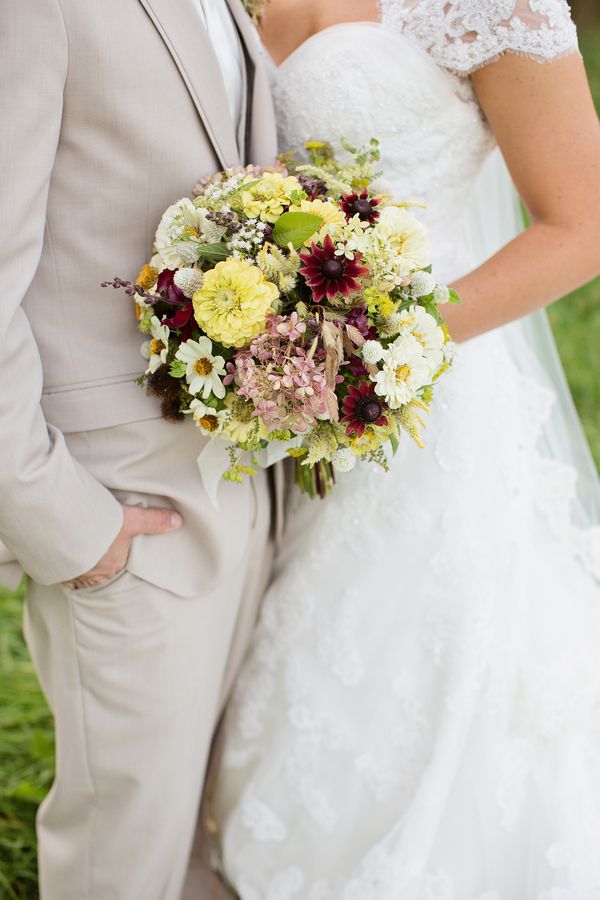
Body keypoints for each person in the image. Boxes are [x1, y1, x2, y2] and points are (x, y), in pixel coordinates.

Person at [213, 1, 600, 896]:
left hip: (430, 401)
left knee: (439, 659)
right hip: (276, 398)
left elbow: (581, 224)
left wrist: (380, 346)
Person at [0, 1, 277, 898]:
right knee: (124, 855)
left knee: (200, 837)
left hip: (245, 481)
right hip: (117, 505)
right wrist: (63, 518)